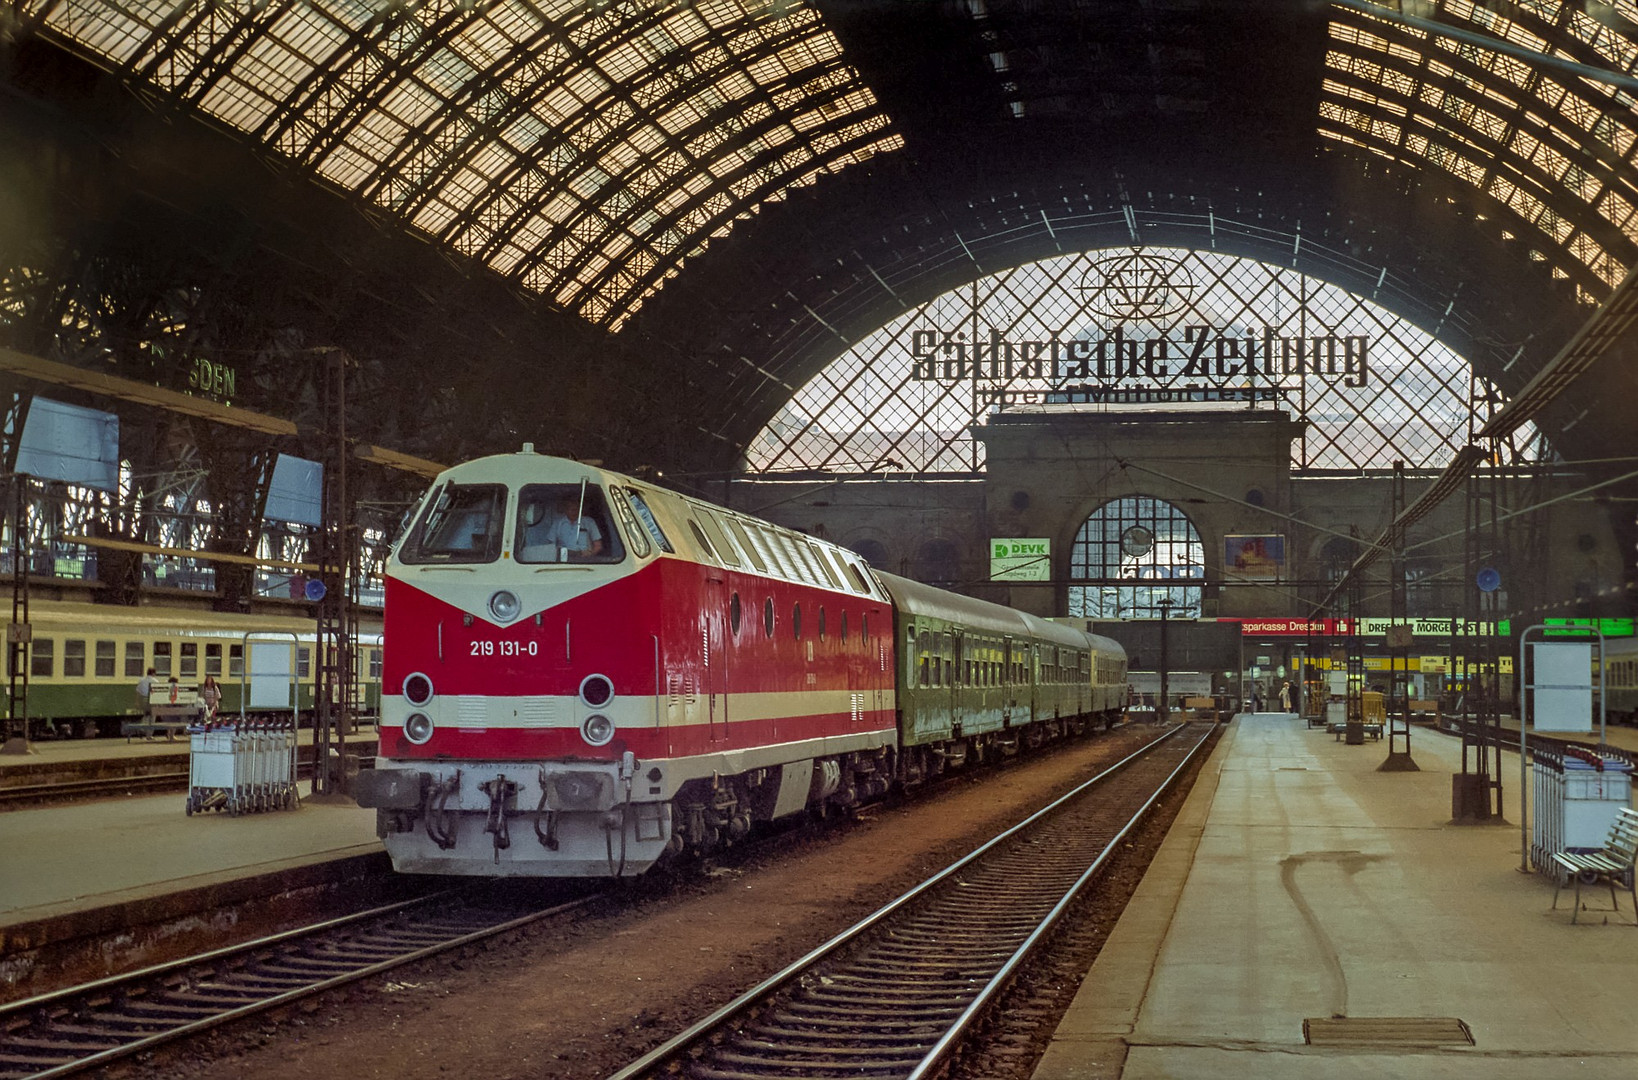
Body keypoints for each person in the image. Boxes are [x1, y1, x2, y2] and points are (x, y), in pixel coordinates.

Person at [529, 493, 604, 561]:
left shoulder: (589, 522)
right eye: (570, 508)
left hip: (585, 559)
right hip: (563, 559)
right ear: (565, 509)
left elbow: (598, 545)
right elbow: (551, 546)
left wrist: (590, 554)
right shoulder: (557, 523)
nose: (574, 511)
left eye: (576, 508)